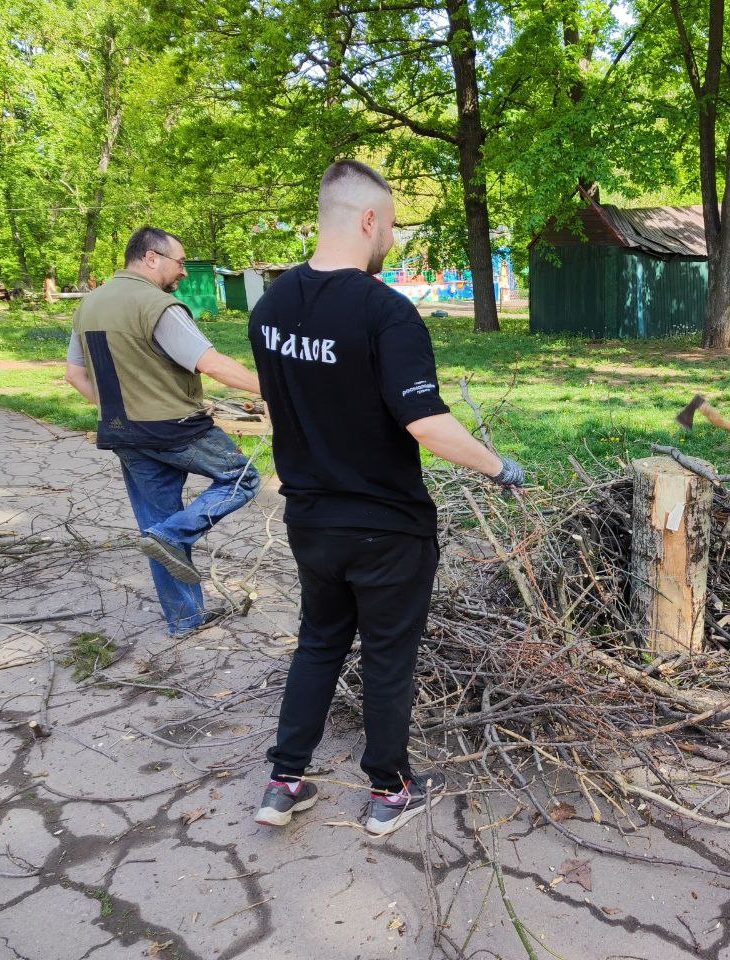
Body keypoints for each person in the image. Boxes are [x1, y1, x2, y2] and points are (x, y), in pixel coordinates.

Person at [248, 160, 526, 837]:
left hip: (310, 520)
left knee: (318, 643)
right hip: (385, 528)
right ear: (368, 220)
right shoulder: (386, 312)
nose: (392, 240)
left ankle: (284, 783)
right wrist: (500, 467)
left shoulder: (270, 308)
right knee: (386, 657)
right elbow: (426, 423)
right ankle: (389, 790)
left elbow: (280, 409)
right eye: (393, 226)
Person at [65, 226, 264, 634]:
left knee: (156, 523)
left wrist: (119, 410)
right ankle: (172, 535)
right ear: (151, 257)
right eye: (180, 262)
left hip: (123, 432)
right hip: (176, 429)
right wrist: (275, 388)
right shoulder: (158, 305)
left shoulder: (89, 305)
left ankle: (185, 620)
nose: (185, 273)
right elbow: (210, 363)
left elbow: (74, 375)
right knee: (241, 478)